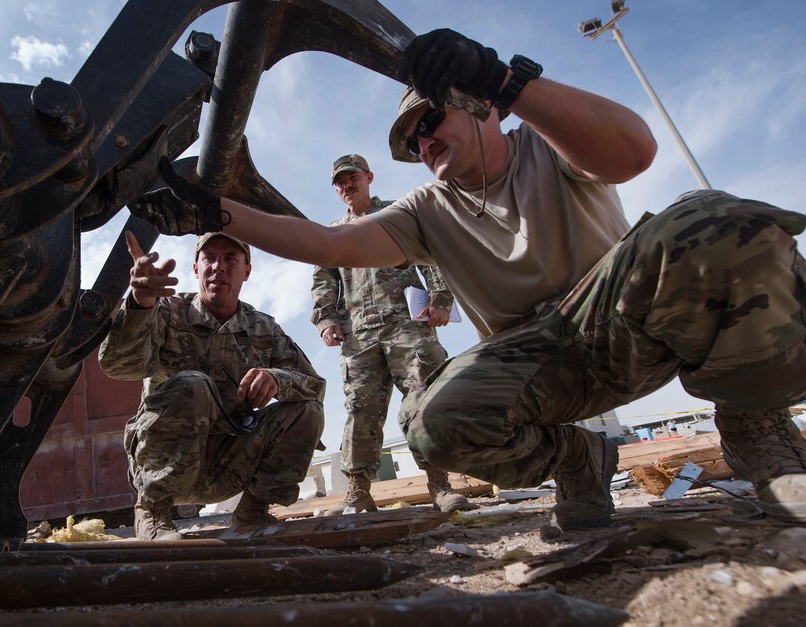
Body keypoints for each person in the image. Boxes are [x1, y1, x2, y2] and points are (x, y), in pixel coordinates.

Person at [128, 27, 806, 528]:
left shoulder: (548, 144)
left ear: (479, 107)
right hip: (541, 363)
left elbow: (636, 150)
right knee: (431, 421)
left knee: (717, 222)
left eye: (430, 121)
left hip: (624, 317)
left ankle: (758, 428)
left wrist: (507, 79)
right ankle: (576, 459)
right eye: (410, 142)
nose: (422, 143)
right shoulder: (427, 208)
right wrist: (214, 211)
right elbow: (318, 242)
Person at [98, 230, 325, 540]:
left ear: (246, 270)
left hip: (229, 465)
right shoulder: (166, 312)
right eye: (209, 258)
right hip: (165, 464)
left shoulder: (263, 328)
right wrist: (139, 305)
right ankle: (153, 512)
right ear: (196, 269)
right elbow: (119, 366)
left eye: (230, 258)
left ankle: (252, 512)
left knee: (307, 410)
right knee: (194, 384)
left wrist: (277, 379)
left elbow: (314, 386)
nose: (218, 266)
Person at [313, 153, 469, 514]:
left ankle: (440, 486)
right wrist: (326, 320)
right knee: (360, 410)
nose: (347, 185)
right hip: (358, 335)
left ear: (368, 176)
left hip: (407, 327)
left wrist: (441, 299)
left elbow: (431, 256)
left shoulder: (395, 217)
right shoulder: (334, 234)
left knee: (423, 400)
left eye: (352, 177)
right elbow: (323, 279)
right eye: (340, 182)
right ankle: (358, 493)